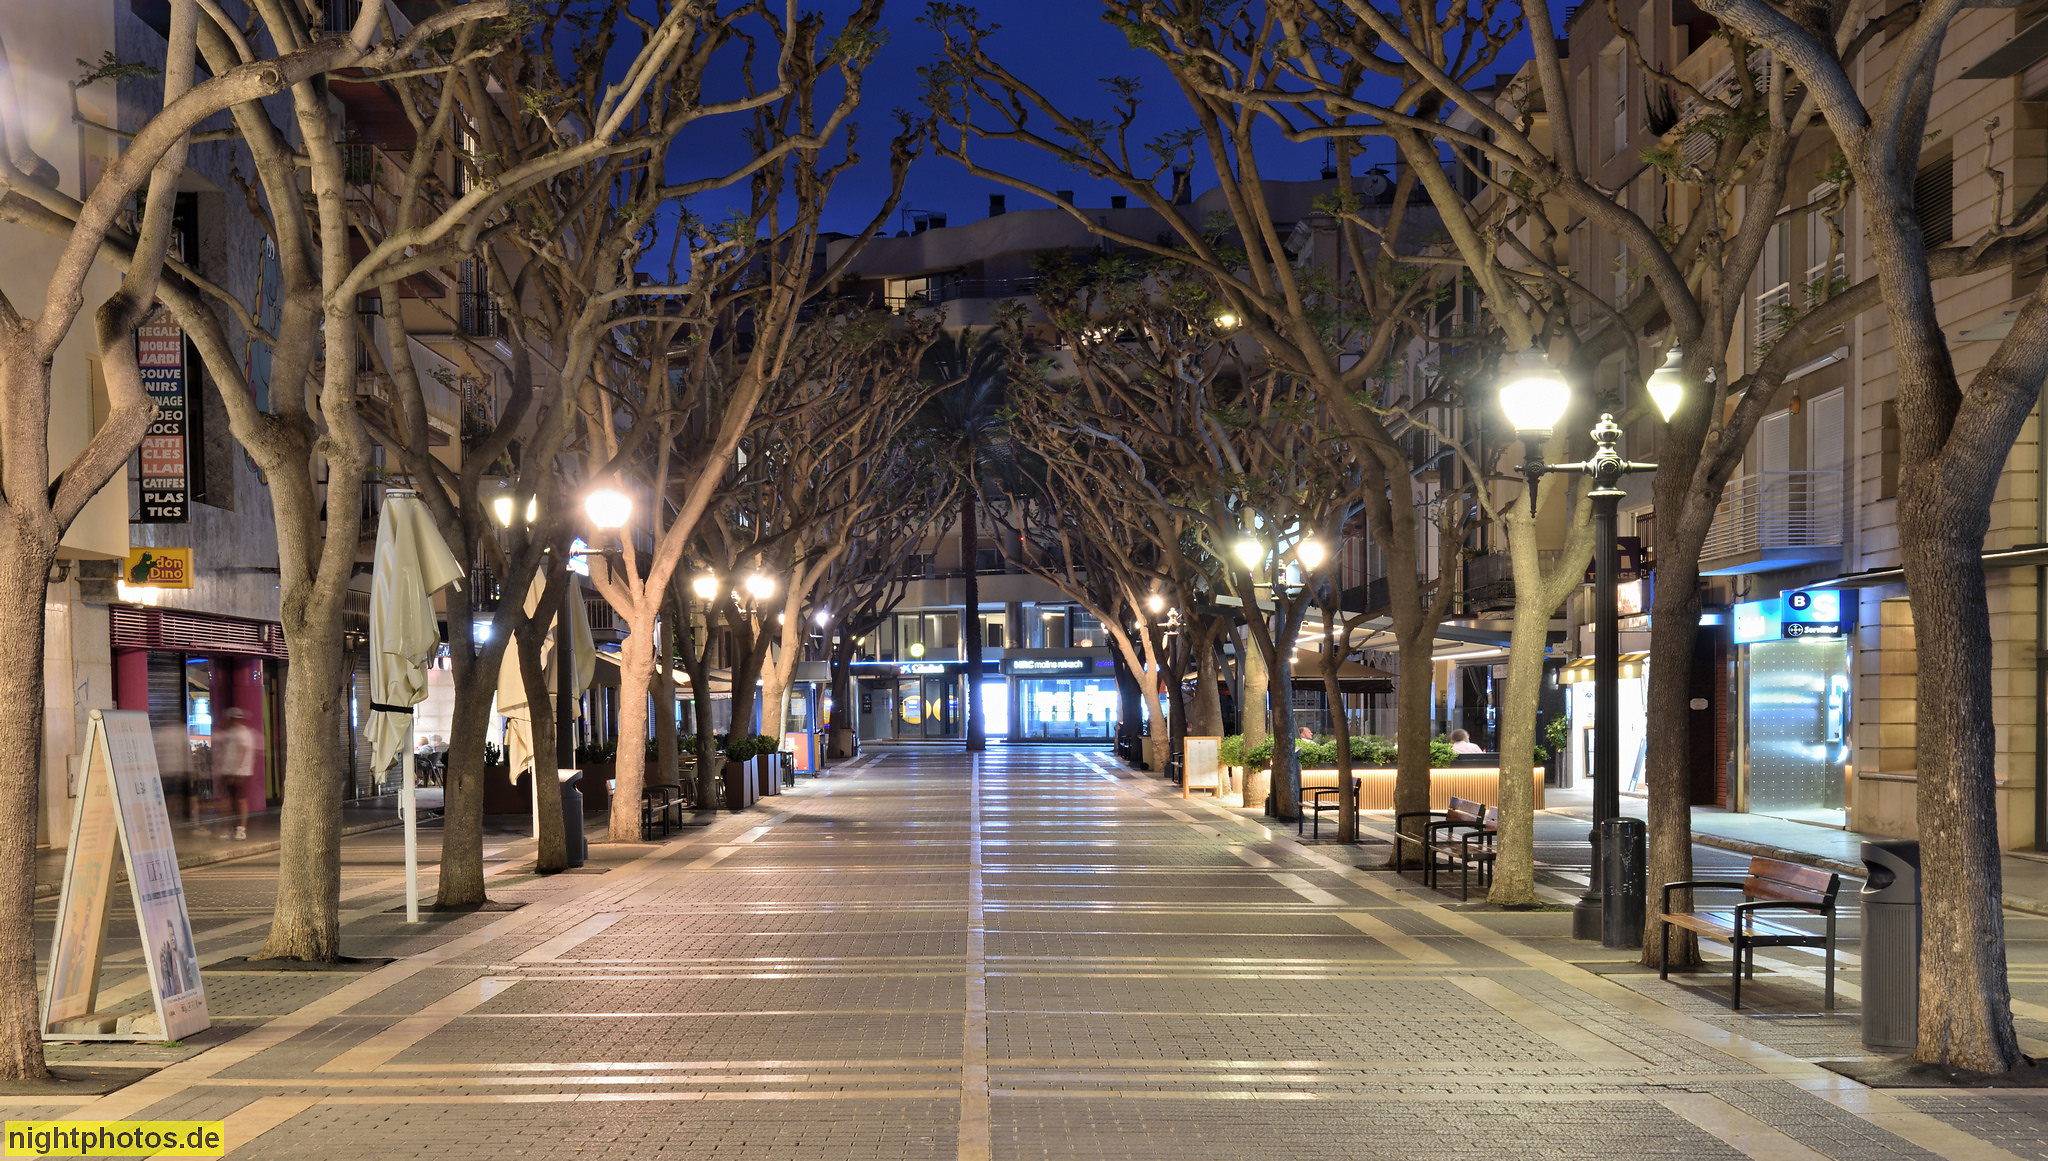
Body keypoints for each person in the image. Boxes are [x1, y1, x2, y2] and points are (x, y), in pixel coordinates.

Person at [215, 708, 259, 840]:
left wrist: (234, 771)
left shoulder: (243, 733)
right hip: (229, 771)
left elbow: (242, 751)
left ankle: (241, 829)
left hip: (239, 773)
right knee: (228, 800)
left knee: (240, 800)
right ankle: (229, 827)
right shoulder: (232, 732)